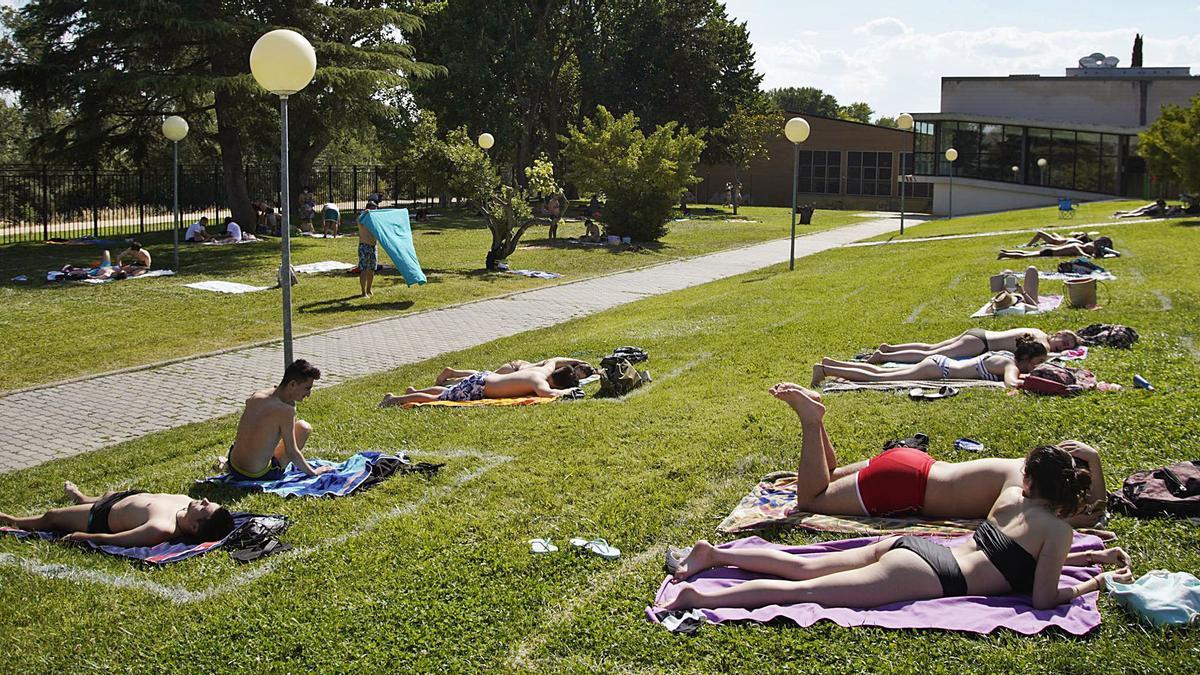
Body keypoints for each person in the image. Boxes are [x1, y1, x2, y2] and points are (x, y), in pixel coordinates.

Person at [663, 394, 1131, 612]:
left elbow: (1023, 553)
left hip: (917, 547)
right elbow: (1045, 594)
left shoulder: (1010, 498)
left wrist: (1091, 555)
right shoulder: (1058, 530)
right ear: (1068, 494)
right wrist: (1096, 582)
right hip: (935, 574)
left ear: (1029, 480)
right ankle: (699, 596)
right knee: (803, 593)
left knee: (806, 569)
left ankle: (717, 554)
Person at [745, 383, 1107, 526]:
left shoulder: (1020, 469)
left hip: (911, 462)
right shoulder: (1022, 497)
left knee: (827, 475)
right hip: (904, 488)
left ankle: (817, 418)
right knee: (811, 498)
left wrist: (1091, 458)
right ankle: (811, 422)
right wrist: (1096, 464)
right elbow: (1093, 515)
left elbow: (1090, 507)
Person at [0, 482, 235, 547]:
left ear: (195, 527)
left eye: (206, 507)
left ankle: (13, 521)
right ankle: (82, 497)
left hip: (101, 516)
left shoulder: (161, 527)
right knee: (108, 494)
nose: (204, 500)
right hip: (124, 499)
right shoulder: (187, 503)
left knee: (52, 516)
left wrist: (84, 537)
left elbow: (118, 540)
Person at [224, 359, 332, 480]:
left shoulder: (257, 395)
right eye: (307, 388)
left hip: (233, 466)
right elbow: (292, 452)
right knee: (303, 428)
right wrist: (314, 472)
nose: (308, 394)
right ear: (292, 384)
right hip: (256, 475)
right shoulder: (286, 411)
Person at [814, 335, 1048, 389]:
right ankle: (826, 369)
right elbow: (1012, 383)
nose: (1038, 367)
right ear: (1025, 358)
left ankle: (830, 364)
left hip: (940, 365)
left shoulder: (1006, 355)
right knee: (879, 377)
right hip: (940, 369)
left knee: (878, 372)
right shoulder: (1011, 366)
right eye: (1037, 362)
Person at [379, 357, 585, 407]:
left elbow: (555, 360)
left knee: (447, 390)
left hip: (484, 377)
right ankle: (394, 399)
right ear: (557, 384)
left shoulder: (544, 370)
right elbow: (549, 394)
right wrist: (567, 394)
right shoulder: (541, 383)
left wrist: (576, 362)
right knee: (438, 397)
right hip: (481, 388)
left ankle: (412, 391)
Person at [868, 327, 1081, 364]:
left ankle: (890, 349)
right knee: (931, 354)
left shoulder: (1038, 331)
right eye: (1064, 342)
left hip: (979, 335)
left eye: (1065, 348)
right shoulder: (1042, 343)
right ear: (1058, 334)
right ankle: (884, 357)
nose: (1061, 347)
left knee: (930, 347)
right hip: (981, 344)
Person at [433, 358, 594, 386]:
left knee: (484, 375)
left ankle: (452, 377)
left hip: (517, 369)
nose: (577, 377)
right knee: (485, 377)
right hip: (516, 368)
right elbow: (558, 358)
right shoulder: (557, 366)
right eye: (578, 373)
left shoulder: (562, 373)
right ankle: (452, 375)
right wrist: (579, 361)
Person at [998, 236, 1118, 259]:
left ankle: (1006, 252)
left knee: (1025, 253)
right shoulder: (1076, 245)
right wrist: (1087, 255)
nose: (1091, 248)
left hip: (1050, 251)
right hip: (1049, 252)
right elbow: (1080, 251)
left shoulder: (1079, 245)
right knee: (1025, 255)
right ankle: (1005, 254)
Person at [356, 201, 379, 298]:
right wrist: (366, 212)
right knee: (364, 269)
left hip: (373, 246)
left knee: (372, 269)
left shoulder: (374, 221)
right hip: (364, 246)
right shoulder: (362, 218)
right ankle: (363, 292)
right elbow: (358, 219)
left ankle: (369, 289)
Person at [1025, 230, 1095, 247]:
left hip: (1053, 241)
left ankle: (1028, 245)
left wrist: (1050, 245)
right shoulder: (1073, 240)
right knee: (1054, 234)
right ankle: (1031, 244)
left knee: (1039, 233)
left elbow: (1062, 246)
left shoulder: (1074, 241)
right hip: (1056, 240)